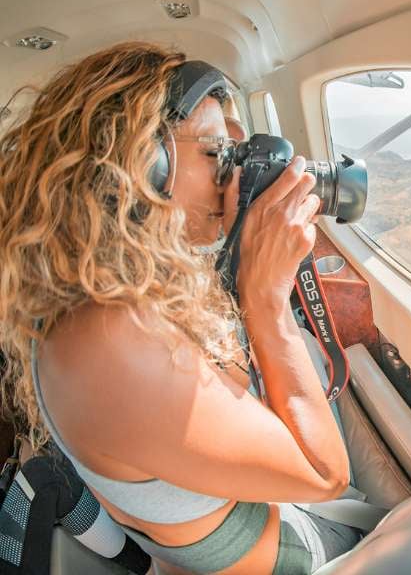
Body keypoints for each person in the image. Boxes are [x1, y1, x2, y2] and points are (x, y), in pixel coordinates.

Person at [0, 42, 362, 573]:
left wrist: (242, 249)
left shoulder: (99, 288)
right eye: (217, 153)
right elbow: (324, 475)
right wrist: (265, 299)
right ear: (146, 164)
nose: (232, 174)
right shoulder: (108, 343)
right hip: (293, 550)